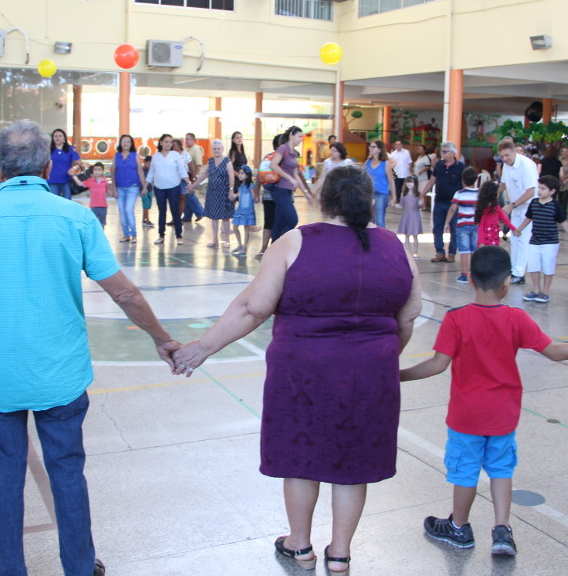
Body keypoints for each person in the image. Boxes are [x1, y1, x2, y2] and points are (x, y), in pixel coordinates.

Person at [0, 120, 179, 576]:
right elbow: (124, 293)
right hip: (61, 377)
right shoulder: (75, 218)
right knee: (66, 472)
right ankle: (79, 566)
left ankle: (8, 568)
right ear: (45, 168)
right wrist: (162, 338)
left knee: (3, 475)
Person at [172, 165, 422, 573]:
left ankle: (300, 546)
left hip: (303, 373)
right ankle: (340, 554)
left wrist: (202, 348)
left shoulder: (295, 241)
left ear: (323, 201)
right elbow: (408, 316)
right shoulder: (395, 247)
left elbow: (253, 308)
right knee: (353, 465)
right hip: (370, 372)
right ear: (367, 200)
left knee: (303, 455)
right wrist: (383, 359)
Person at [399, 246, 568, 556]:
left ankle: (459, 527)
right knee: (501, 469)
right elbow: (555, 352)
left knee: (465, 472)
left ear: (471, 279)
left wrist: (399, 376)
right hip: (503, 415)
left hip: (467, 416)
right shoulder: (516, 318)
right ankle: (502, 530)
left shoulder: (456, 319)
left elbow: (437, 364)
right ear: (507, 282)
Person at [512, 175, 568, 303]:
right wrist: (519, 229)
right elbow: (528, 218)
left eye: (543, 188)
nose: (539, 191)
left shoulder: (555, 206)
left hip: (550, 242)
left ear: (552, 191)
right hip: (535, 241)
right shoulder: (534, 203)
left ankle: (545, 292)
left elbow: (563, 222)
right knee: (533, 267)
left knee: (548, 267)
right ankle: (536, 290)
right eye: (539, 188)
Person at [498, 138, 539, 284]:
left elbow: (531, 191)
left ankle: (519, 273)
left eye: (507, 155)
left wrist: (512, 206)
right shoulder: (506, 165)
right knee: (514, 238)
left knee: (523, 239)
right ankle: (514, 269)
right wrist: (492, 195)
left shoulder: (527, 165)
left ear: (514, 151)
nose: (505, 159)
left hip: (528, 207)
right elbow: (504, 184)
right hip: (516, 206)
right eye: (502, 156)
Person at [269, 126, 314, 242]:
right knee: (293, 219)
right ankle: (284, 244)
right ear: (291, 136)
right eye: (299, 136)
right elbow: (273, 165)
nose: (301, 139)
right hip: (280, 190)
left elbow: (296, 176)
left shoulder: (293, 153)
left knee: (279, 222)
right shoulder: (283, 148)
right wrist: (290, 178)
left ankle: (275, 247)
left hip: (288, 191)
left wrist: (306, 193)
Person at [422, 142, 465, 262]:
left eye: (445, 151)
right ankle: (439, 252)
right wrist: (422, 194)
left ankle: (452, 253)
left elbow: (464, 185)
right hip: (439, 201)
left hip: (454, 204)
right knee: (437, 228)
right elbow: (432, 181)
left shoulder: (461, 167)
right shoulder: (439, 165)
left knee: (454, 229)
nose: (443, 154)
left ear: (453, 153)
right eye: (442, 151)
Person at [189, 138, 234, 248]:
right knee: (214, 217)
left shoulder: (227, 161)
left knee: (225, 217)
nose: (217, 150)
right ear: (212, 150)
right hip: (212, 193)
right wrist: (194, 185)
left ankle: (227, 240)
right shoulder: (210, 161)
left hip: (224, 192)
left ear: (222, 149)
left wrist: (231, 190)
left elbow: (231, 176)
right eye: (215, 149)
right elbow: (204, 175)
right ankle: (215, 240)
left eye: (219, 148)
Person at [146, 134, 188, 245]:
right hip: (159, 188)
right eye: (166, 142)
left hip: (174, 187)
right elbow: (151, 173)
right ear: (161, 143)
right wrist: (145, 186)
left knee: (175, 211)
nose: (168, 144)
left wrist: (189, 183)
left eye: (170, 142)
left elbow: (181, 170)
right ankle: (161, 235)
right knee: (162, 212)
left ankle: (178, 236)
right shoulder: (155, 157)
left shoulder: (175, 155)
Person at [443, 167, 479, 283]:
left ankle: (464, 275)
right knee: (475, 250)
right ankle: (474, 275)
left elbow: (453, 208)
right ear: (475, 180)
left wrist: (447, 222)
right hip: (476, 225)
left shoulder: (459, 193)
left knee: (464, 251)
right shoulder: (479, 193)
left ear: (463, 180)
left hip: (462, 225)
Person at [110, 134, 146, 243]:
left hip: (133, 187)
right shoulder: (116, 156)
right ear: (120, 143)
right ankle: (126, 234)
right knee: (122, 211)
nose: (126, 143)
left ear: (131, 144)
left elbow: (140, 171)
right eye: (123, 141)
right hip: (119, 188)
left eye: (128, 141)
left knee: (128, 209)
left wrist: (144, 186)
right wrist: (113, 188)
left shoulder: (135, 155)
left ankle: (133, 234)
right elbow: (113, 173)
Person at [255, 134, 283, 260]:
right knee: (269, 223)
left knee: (278, 223)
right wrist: (256, 192)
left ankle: (274, 249)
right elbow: (259, 176)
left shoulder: (287, 157)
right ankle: (264, 249)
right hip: (270, 196)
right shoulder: (268, 158)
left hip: (281, 196)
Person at [474, 180, 517, 249]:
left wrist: (513, 228)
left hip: (495, 239)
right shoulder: (484, 209)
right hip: (486, 242)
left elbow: (504, 218)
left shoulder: (496, 207)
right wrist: (481, 242)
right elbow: (480, 227)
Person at [365, 140, 397, 229]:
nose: (370, 149)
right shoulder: (367, 162)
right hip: (369, 193)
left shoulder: (385, 163)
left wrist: (394, 197)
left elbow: (391, 180)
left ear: (379, 149)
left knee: (379, 219)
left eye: (373, 147)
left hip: (381, 193)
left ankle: (381, 236)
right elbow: (364, 178)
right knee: (369, 219)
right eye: (370, 146)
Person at [73, 162, 113, 228]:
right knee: (93, 223)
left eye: (99, 170)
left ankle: (101, 234)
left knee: (102, 223)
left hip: (103, 206)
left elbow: (108, 191)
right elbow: (80, 184)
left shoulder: (105, 181)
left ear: (102, 171)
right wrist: (74, 176)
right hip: (94, 206)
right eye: (95, 169)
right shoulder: (90, 181)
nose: (97, 172)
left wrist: (114, 193)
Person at [46, 129, 80, 199]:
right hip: (52, 180)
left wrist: (74, 168)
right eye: (55, 136)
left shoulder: (70, 149)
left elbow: (78, 163)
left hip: (67, 180)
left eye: (60, 136)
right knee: (54, 201)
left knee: (67, 201)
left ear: (64, 138)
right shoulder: (48, 150)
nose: (57, 138)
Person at [231, 165, 256, 256]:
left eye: (242, 173)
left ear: (247, 175)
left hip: (247, 209)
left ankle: (244, 247)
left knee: (246, 228)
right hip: (240, 209)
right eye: (239, 173)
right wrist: (234, 195)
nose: (240, 175)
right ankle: (240, 245)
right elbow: (238, 194)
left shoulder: (250, 185)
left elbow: (253, 196)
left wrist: (255, 199)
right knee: (235, 226)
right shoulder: (241, 185)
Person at [181, 133, 206, 223]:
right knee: (187, 194)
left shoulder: (196, 149)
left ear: (193, 140)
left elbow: (198, 164)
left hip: (192, 175)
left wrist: (196, 177)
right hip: (188, 175)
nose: (186, 141)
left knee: (189, 194)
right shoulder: (187, 150)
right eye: (186, 139)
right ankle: (187, 216)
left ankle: (200, 212)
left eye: (188, 139)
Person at [396, 174, 422, 258]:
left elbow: (421, 205)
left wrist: (421, 203)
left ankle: (415, 252)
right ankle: (407, 252)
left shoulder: (418, 194)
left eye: (411, 182)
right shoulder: (404, 194)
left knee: (415, 235)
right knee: (406, 235)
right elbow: (401, 205)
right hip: (406, 215)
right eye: (408, 182)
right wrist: (394, 205)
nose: (409, 184)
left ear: (415, 183)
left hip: (415, 216)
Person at [413, 143, 437, 210]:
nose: (419, 150)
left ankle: (425, 205)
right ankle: (420, 204)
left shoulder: (426, 158)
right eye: (419, 149)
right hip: (417, 178)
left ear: (424, 151)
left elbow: (428, 167)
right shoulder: (419, 157)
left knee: (424, 191)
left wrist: (422, 170)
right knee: (418, 191)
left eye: (421, 149)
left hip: (424, 178)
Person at [140, 155, 154, 229]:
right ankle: (147, 220)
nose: (150, 166)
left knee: (147, 205)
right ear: (144, 162)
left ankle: (144, 219)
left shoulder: (151, 171)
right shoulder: (141, 171)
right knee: (146, 204)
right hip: (143, 190)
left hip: (150, 189)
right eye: (148, 164)